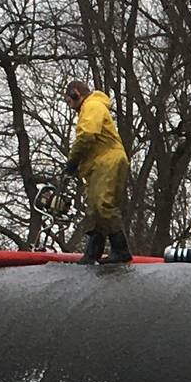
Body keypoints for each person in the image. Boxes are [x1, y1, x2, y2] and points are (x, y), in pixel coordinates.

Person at [63, 80, 130, 264]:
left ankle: (121, 249)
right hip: (97, 165)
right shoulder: (88, 109)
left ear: (76, 94)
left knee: (103, 204)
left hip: (108, 160)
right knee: (93, 210)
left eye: (69, 100)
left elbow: (87, 135)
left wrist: (73, 160)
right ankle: (93, 253)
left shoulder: (92, 106)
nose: (69, 106)